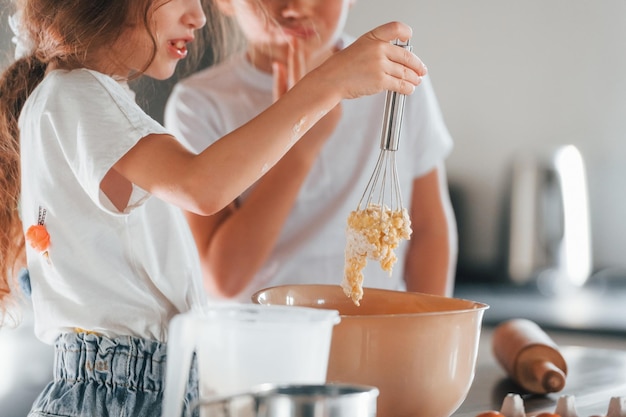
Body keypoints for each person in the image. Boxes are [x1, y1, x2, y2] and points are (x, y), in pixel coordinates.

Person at [0, 0, 426, 416]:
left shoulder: (80, 100)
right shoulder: (76, 95)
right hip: (121, 391)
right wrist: (328, 83)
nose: (198, 16)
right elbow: (202, 185)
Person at [165, 0, 457, 303]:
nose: (297, 6)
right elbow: (224, 278)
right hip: (262, 336)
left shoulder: (395, 75)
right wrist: (301, 145)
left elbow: (428, 230)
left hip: (374, 333)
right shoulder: (199, 105)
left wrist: (430, 327)